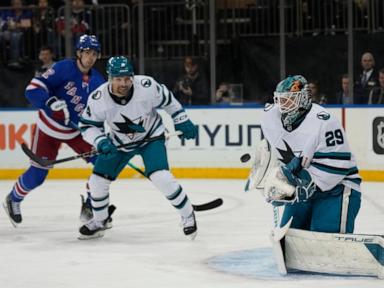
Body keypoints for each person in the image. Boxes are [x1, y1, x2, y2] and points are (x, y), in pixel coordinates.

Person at [78, 56, 198, 240]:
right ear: (110, 78)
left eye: (127, 78)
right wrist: (101, 141)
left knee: (161, 177)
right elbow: (87, 126)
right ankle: (100, 220)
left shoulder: (146, 86)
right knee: (97, 181)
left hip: (151, 138)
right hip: (118, 142)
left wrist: (181, 119)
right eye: (118, 79)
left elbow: (168, 100)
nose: (124, 83)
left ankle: (188, 215)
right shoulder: (98, 98)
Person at [3, 34, 105, 227]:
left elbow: (99, 115)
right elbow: (32, 90)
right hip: (48, 129)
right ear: (78, 53)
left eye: (94, 53)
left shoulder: (98, 82)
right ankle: (14, 198)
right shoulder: (63, 68)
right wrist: (50, 102)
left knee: (103, 163)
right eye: (86, 52)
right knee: (37, 175)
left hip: (77, 133)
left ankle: (90, 206)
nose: (90, 57)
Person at [258, 75, 361, 233]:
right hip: (301, 189)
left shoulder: (324, 122)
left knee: (324, 239)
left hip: (337, 189)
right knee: (289, 233)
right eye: (280, 100)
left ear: (304, 98)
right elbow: (270, 153)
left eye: (289, 99)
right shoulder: (270, 117)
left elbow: (338, 167)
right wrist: (275, 181)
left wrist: (305, 185)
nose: (282, 105)